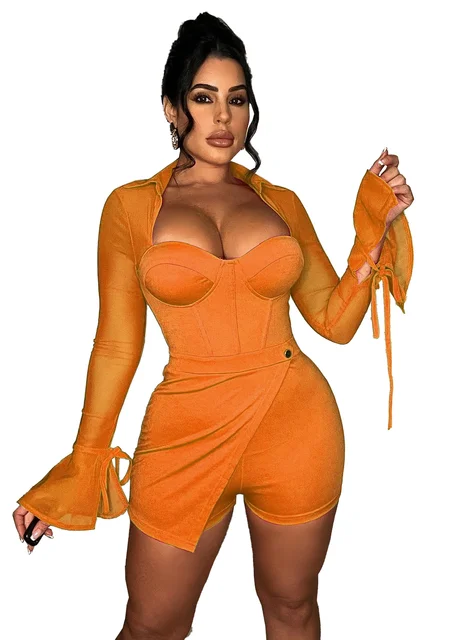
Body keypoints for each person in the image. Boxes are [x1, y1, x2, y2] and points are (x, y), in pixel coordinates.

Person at [12, 11, 414, 640]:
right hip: (184, 435)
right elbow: (117, 345)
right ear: (172, 109)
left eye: (237, 99)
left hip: (296, 427)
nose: (224, 118)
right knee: (151, 627)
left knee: (293, 609)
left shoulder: (280, 203)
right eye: (204, 98)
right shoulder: (129, 207)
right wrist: (81, 465)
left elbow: (334, 322)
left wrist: (373, 232)